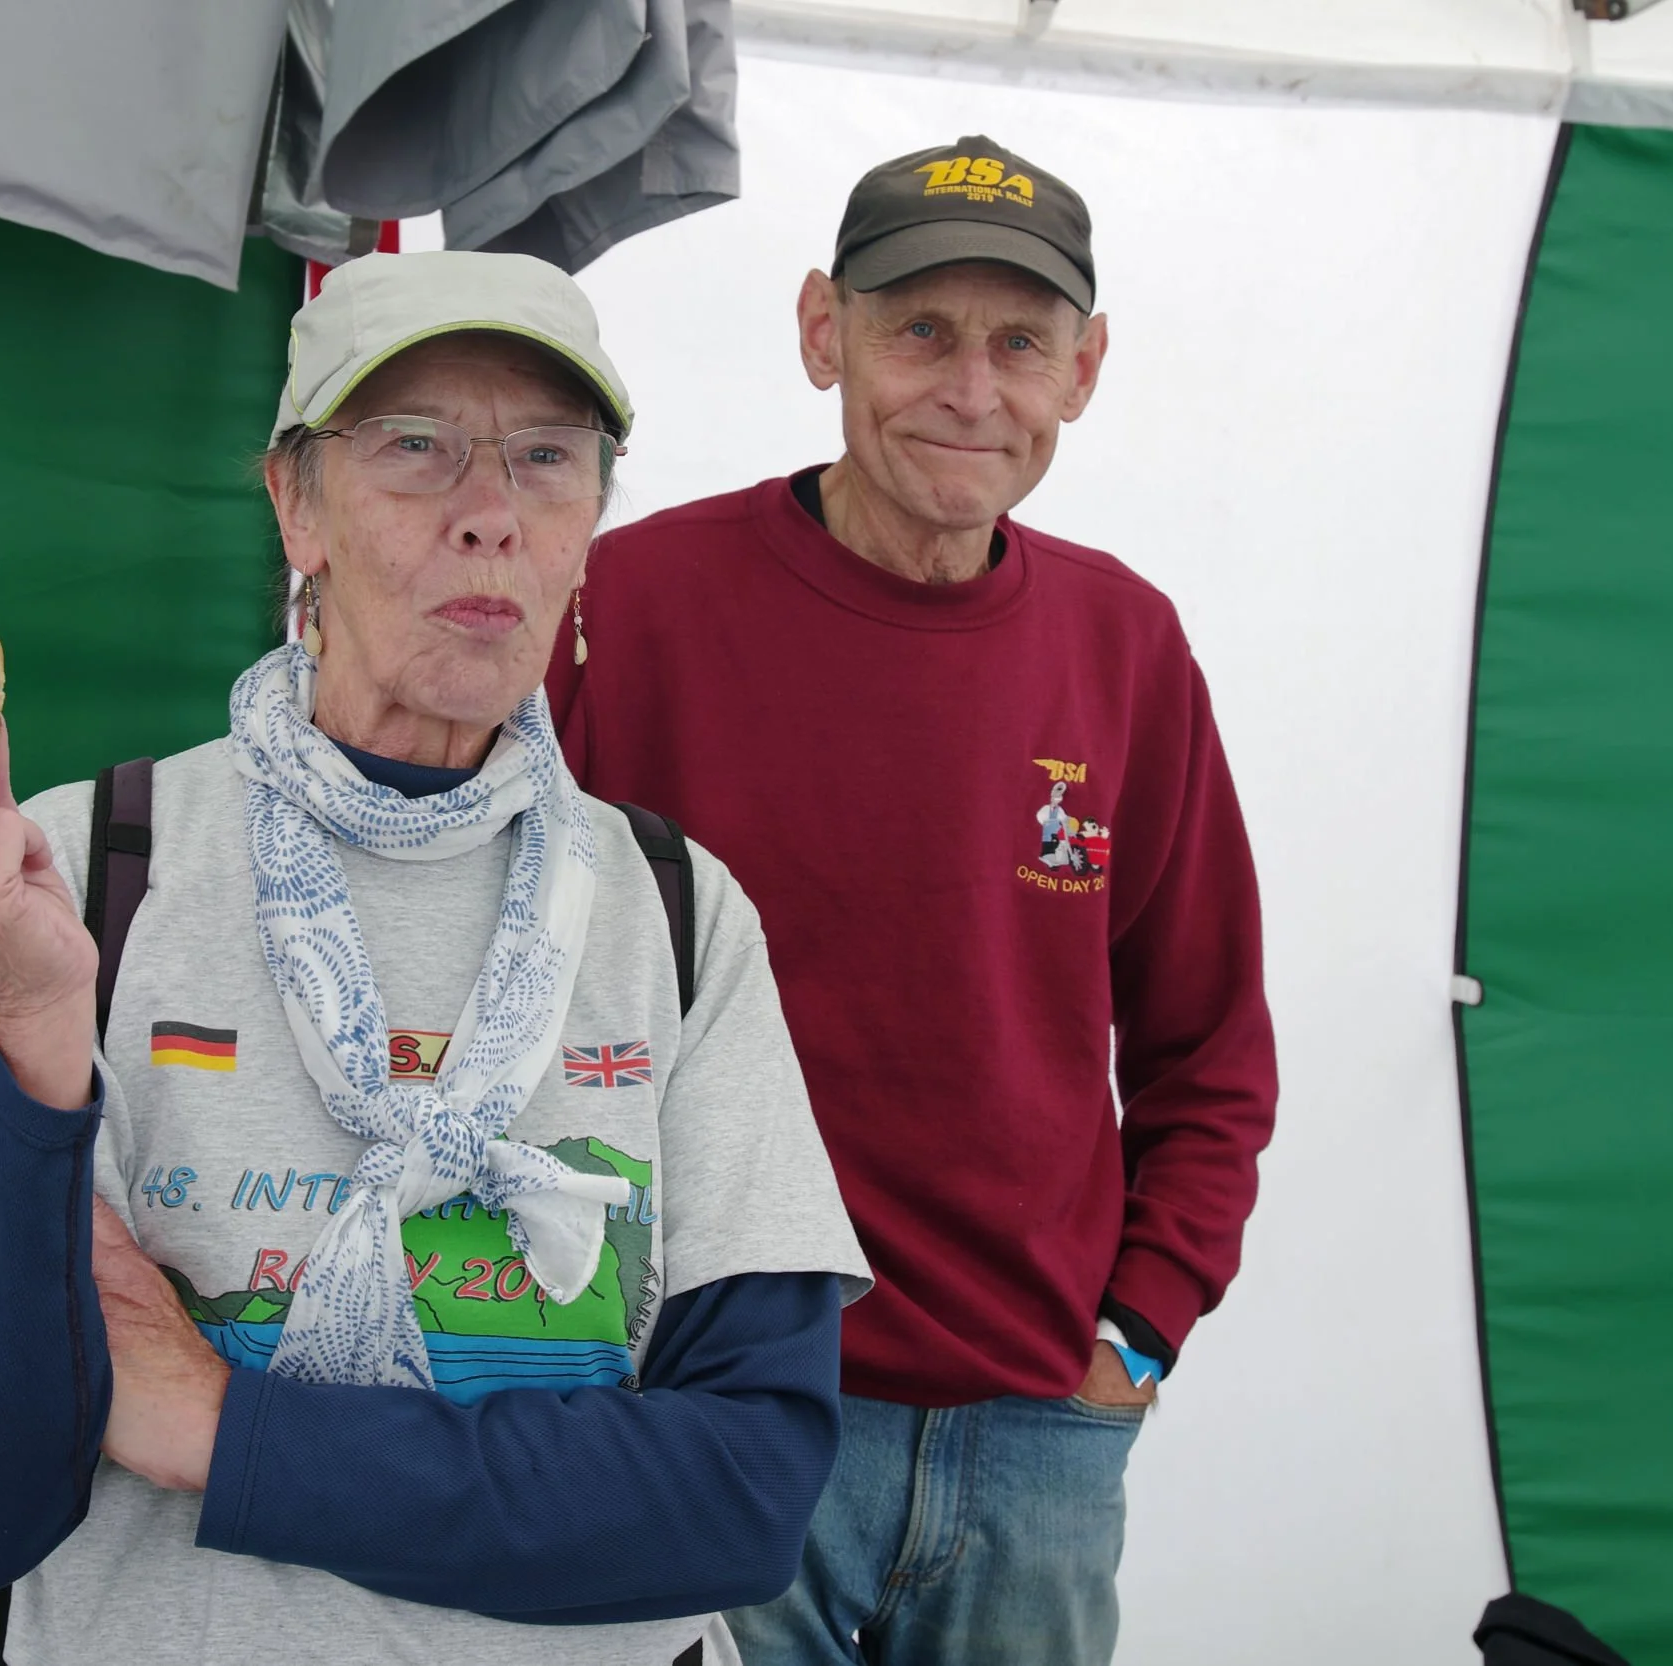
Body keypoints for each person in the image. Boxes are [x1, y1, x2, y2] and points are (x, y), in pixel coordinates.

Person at [0, 249, 870, 1666]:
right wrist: (36, 1028)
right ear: (295, 503)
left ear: (592, 520)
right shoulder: (86, 874)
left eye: (548, 457)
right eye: (415, 448)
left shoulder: (673, 912)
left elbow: (737, 1501)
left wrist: (222, 1426)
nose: (488, 514)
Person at [548, 138, 1279, 1664]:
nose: (972, 389)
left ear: (1084, 370)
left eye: (1021, 343)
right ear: (824, 331)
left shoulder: (1127, 645)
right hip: (718, 1409)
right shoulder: (627, 607)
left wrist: (1131, 1337)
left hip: (1037, 1444)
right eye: (920, 331)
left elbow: (1207, 1047)